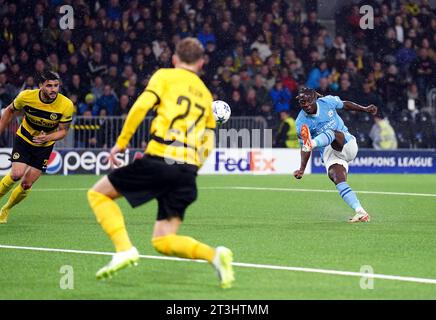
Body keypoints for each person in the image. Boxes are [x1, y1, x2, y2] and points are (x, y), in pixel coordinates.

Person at [87, 38, 234, 288]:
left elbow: (141, 106)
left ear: (175, 59)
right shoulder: (205, 94)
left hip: (161, 158)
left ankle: (124, 249)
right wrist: (192, 168)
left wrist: (121, 143)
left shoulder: (164, 76)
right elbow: (209, 141)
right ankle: (215, 255)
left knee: (98, 195)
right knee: (163, 241)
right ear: (201, 63)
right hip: (187, 172)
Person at [293, 87, 377, 223]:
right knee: (337, 177)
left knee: (331, 132)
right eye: (303, 102)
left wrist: (365, 109)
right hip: (329, 153)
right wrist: (302, 169)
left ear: (315, 98)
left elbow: (345, 104)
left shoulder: (327, 102)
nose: (306, 105)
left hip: (345, 142)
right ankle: (360, 211)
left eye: (309, 101)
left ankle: (313, 142)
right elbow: (304, 148)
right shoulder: (301, 122)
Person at [0, 70, 74, 223]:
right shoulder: (26, 96)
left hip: (45, 145)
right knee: (16, 174)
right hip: (24, 138)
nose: (53, 89)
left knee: (26, 184)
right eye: (49, 86)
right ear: (40, 86)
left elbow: (63, 131)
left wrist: (47, 137)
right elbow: (9, 110)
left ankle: (6, 209)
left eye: (56, 86)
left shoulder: (66, 104)